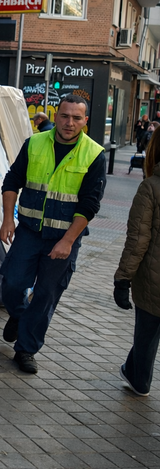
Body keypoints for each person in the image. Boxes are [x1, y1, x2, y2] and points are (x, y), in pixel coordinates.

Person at [0, 95, 106, 374]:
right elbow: (12, 180)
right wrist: (7, 219)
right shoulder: (34, 143)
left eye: (76, 118)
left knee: (46, 295)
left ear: (85, 121)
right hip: (29, 232)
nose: (69, 123)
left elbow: (89, 204)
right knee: (11, 283)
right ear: (55, 116)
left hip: (63, 238)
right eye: (64, 116)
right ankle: (20, 315)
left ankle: (25, 350)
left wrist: (68, 241)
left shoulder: (94, 154)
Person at [113, 131, 160, 396]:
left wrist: (122, 278)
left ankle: (139, 379)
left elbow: (138, 239)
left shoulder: (151, 186)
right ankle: (134, 372)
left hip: (153, 277)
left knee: (147, 332)